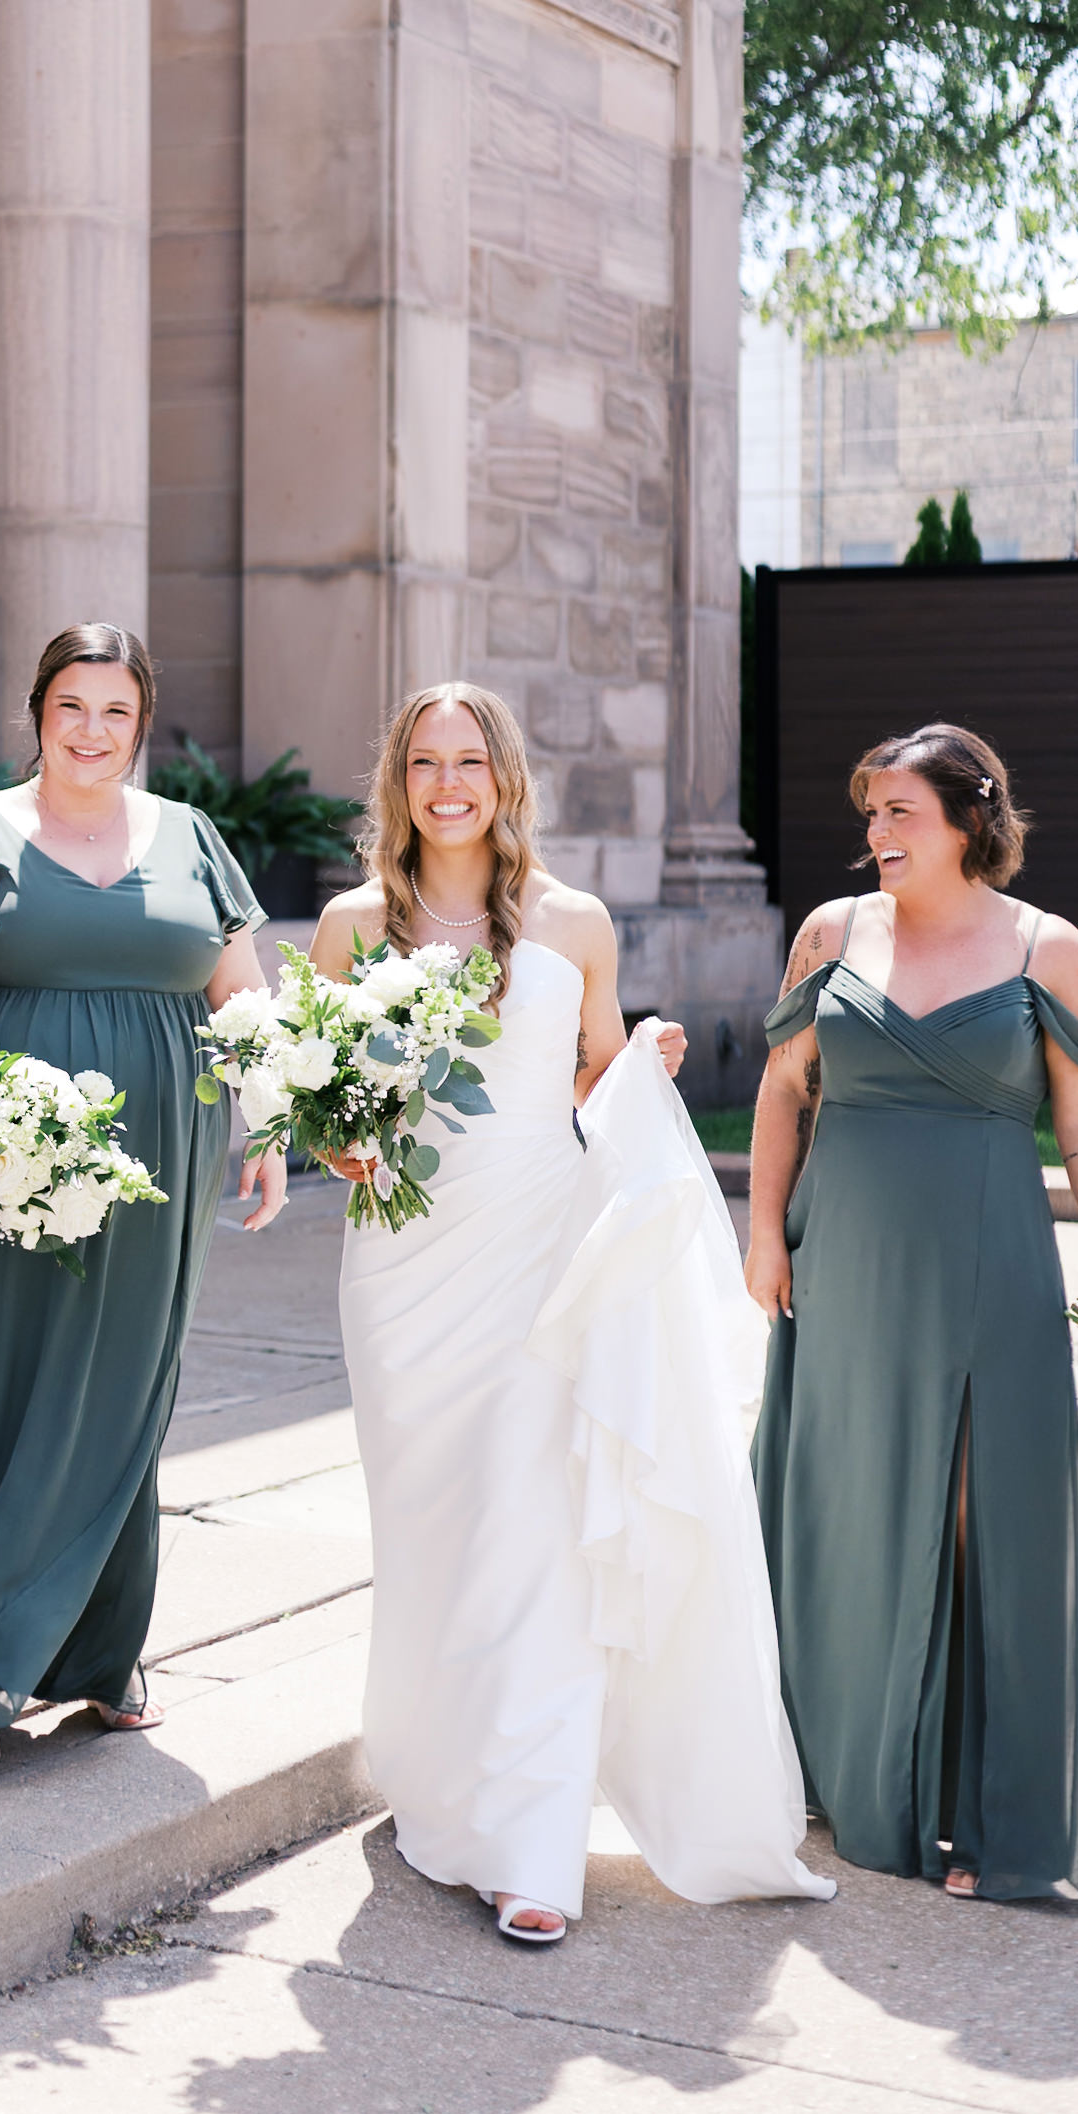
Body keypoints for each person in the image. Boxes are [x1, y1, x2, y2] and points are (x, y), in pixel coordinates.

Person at [313, 682, 834, 1943]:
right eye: (427, 761)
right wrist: (343, 1149)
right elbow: (323, 1097)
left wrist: (640, 1065)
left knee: (535, 1529)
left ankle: (531, 1845)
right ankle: (444, 1775)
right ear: (400, 777)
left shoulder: (574, 920)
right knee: (438, 1532)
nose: (450, 783)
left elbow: (594, 1071)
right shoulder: (350, 927)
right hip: (401, 1272)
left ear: (504, 778)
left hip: (540, 1252)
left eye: (471, 760)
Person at [0, 623, 286, 1765]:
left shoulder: (193, 838)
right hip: (10, 1145)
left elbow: (242, 993)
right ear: (37, 712)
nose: (92, 732)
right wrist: (2, 1118)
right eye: (71, 708)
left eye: (115, 711)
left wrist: (274, 1120)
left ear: (141, 722)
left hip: (160, 1154)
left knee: (116, 1392)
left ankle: (98, 1649)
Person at [749, 722, 1078, 1901]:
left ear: (969, 820)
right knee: (848, 1504)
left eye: (901, 814)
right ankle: (847, 1776)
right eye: (871, 814)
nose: (878, 835)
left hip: (996, 1270)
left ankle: (979, 1812)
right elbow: (783, 1095)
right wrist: (763, 1237)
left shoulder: (1050, 951)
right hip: (844, 1265)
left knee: (986, 1521)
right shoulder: (830, 936)